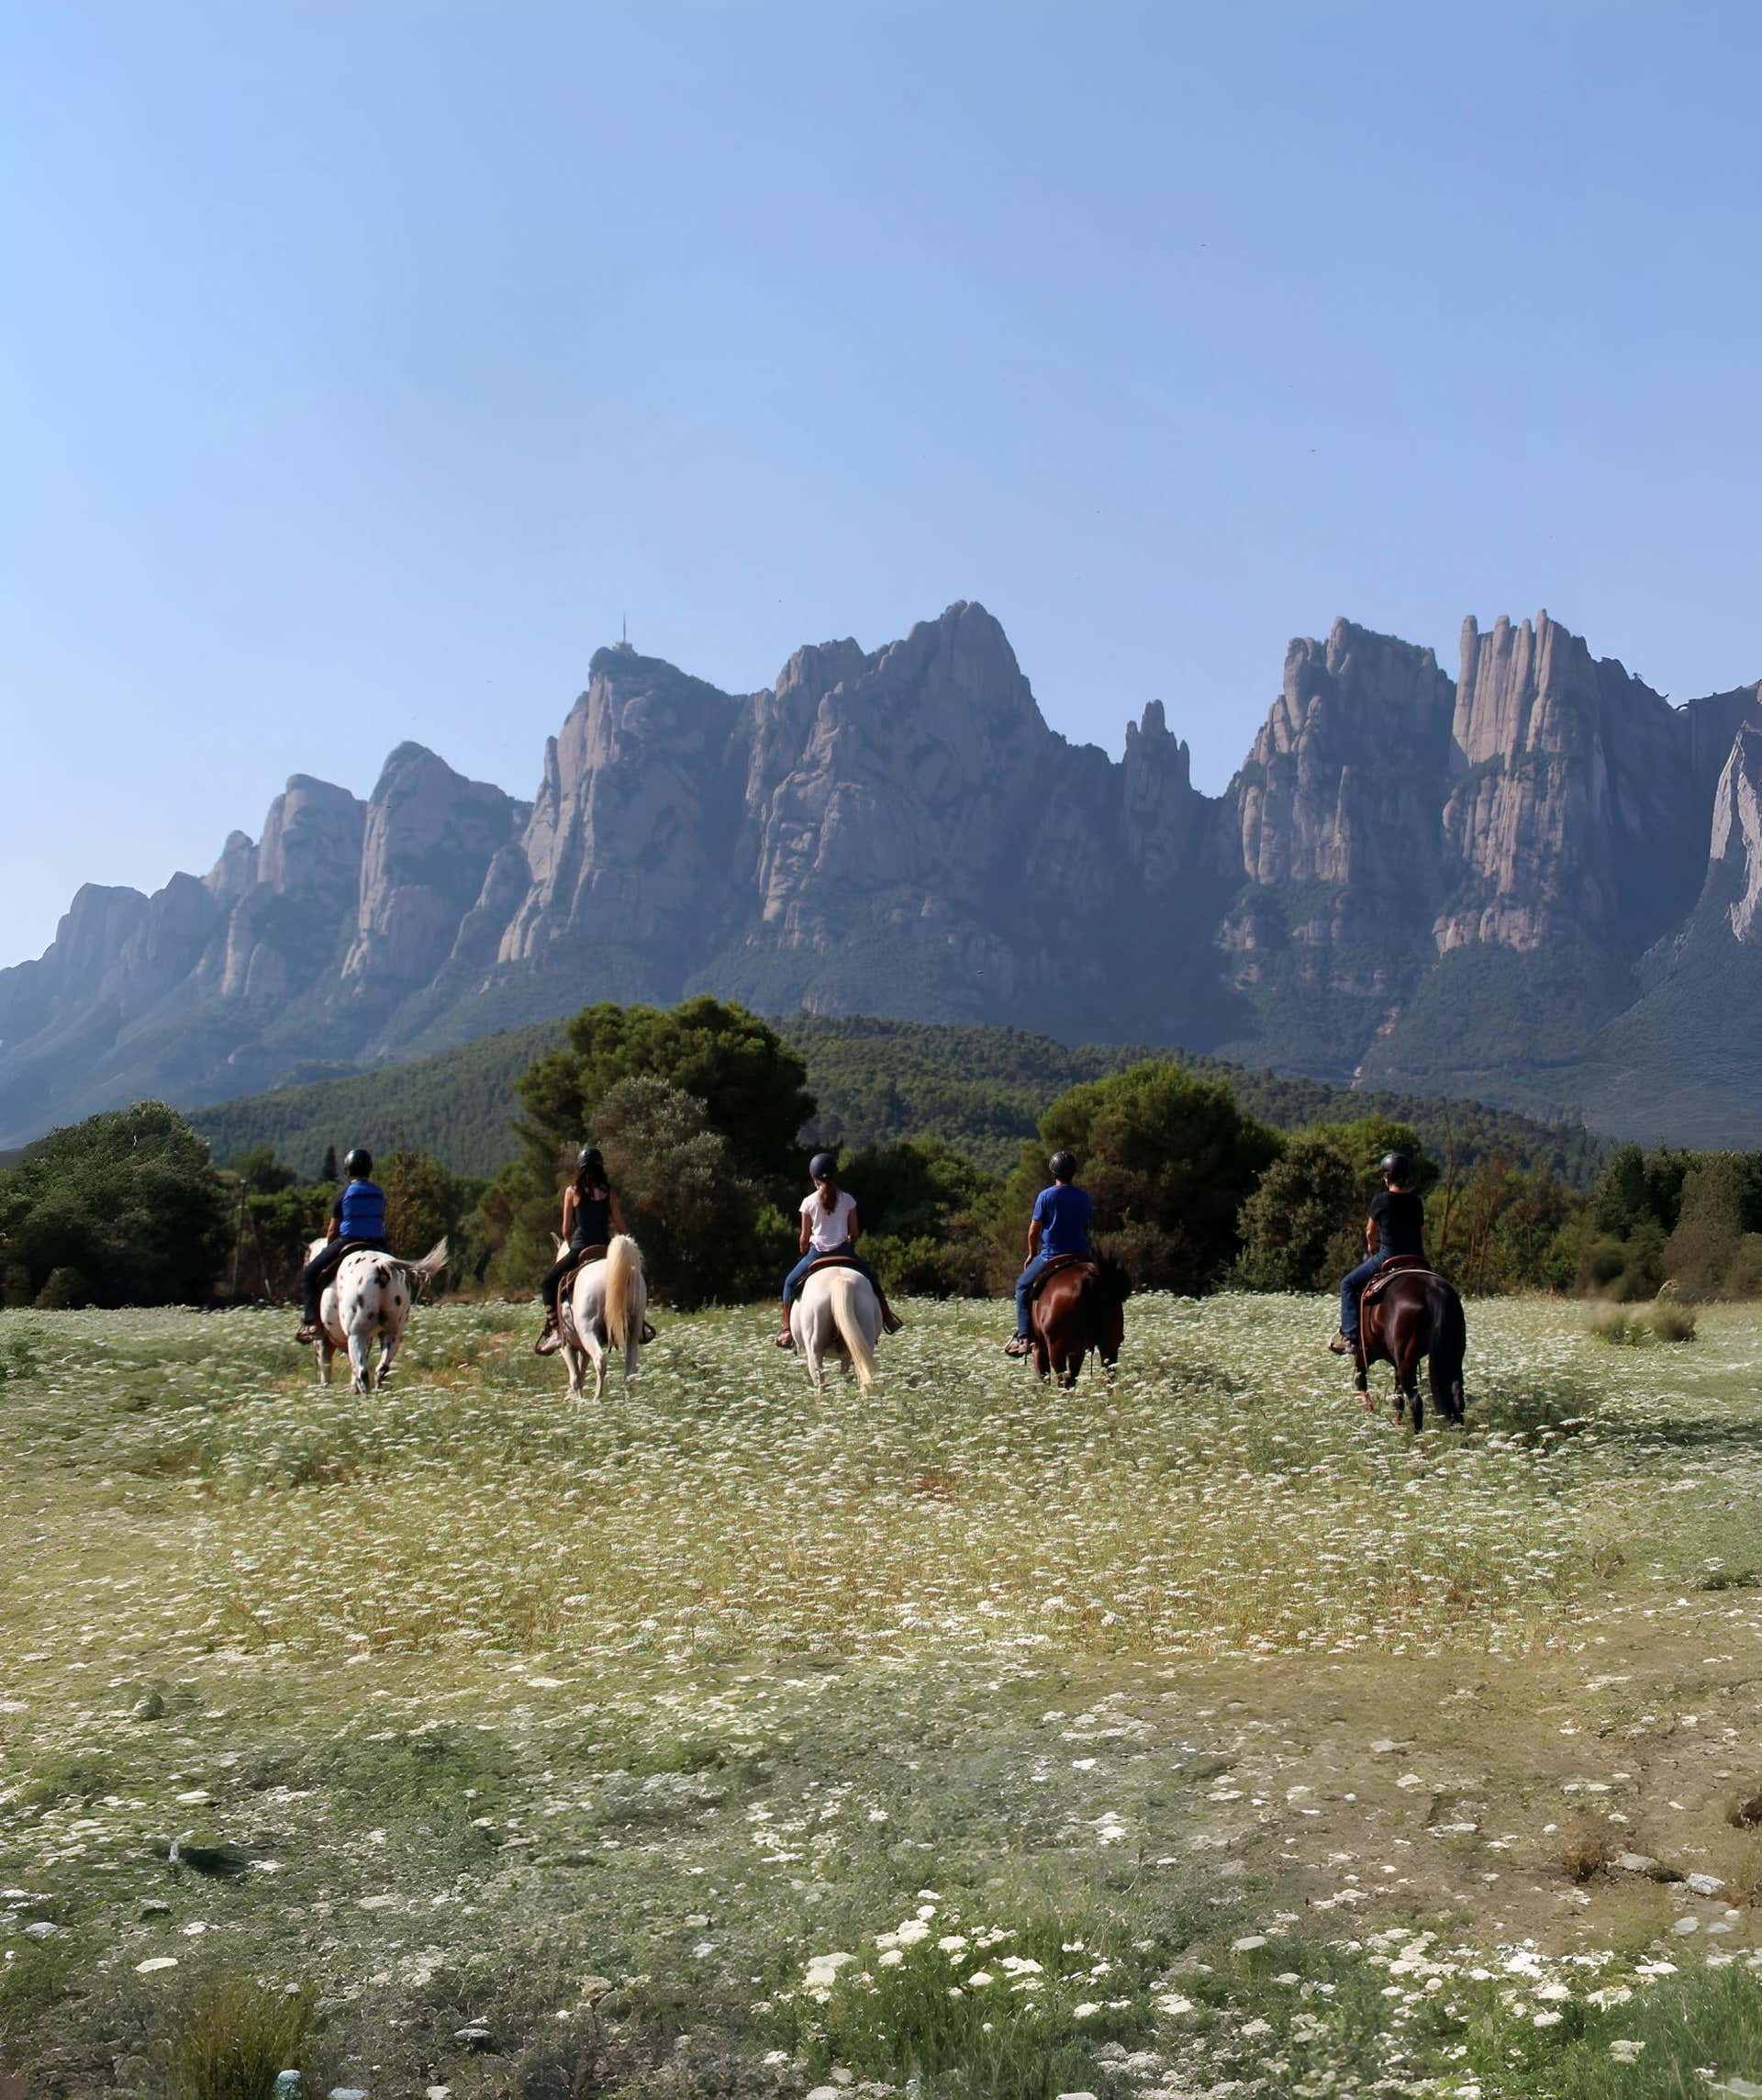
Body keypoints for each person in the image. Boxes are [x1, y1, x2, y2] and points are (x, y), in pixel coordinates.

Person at [776, 1152, 903, 1348]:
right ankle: (888, 1318)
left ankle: (786, 1329)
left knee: (789, 1283)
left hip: (816, 1254)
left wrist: (803, 1248)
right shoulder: (848, 1200)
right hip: (845, 1252)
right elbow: (855, 1232)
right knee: (873, 1281)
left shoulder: (808, 1202)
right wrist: (850, 1242)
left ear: (813, 1177)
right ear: (836, 1175)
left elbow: (804, 1237)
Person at [1330, 1151, 1427, 1357]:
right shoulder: (1416, 1201)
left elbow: (1370, 1232)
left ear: (1387, 1176)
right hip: (1417, 1258)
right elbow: (1421, 1233)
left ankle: (1351, 1337)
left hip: (1388, 1255)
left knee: (1347, 1284)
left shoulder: (1380, 1200)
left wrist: (1372, 1246)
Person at [534, 1145, 628, 1355]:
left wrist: (571, 1243)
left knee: (548, 1284)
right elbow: (621, 1228)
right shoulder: (609, 1192)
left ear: (580, 1168)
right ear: (601, 1167)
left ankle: (557, 1333)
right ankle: (637, 1326)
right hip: (605, 1250)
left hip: (580, 1249)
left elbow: (566, 1229)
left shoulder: (572, 1191)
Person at [295, 1147, 387, 1343]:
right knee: (398, 1273)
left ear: (348, 1171)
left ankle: (312, 1323)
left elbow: (332, 1230)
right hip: (378, 1242)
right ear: (369, 1170)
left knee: (309, 1274)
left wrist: (330, 1246)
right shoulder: (379, 1193)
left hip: (349, 1241)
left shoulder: (343, 1194)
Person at [1005, 1148, 1092, 1357]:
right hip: (1081, 1255)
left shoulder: (1045, 1196)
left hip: (1050, 1256)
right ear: (1073, 1173)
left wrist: (1031, 1254)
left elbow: (1033, 1231)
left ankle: (1024, 1337)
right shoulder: (1084, 1197)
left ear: (1053, 1173)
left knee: (1022, 1286)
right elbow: (1085, 1226)